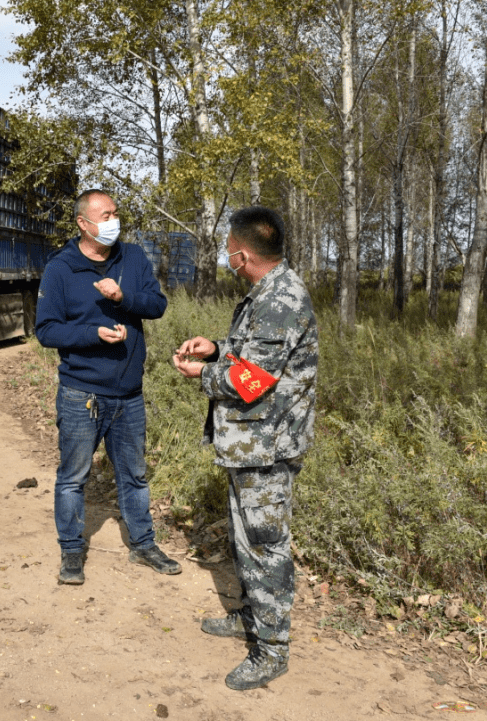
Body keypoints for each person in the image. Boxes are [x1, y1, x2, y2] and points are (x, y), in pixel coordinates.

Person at [172, 206, 318, 691]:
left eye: (228, 250)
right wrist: (216, 349)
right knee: (245, 539)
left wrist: (202, 374)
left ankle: (272, 650)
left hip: (267, 448)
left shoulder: (281, 298)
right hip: (249, 445)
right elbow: (252, 355)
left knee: (263, 544)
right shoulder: (266, 293)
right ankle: (251, 618)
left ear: (242, 252)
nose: (226, 258)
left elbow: (253, 380)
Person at [35, 189, 181, 585]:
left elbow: (158, 305)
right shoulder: (61, 268)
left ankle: (143, 544)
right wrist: (92, 333)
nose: (114, 220)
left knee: (133, 475)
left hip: (129, 395)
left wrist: (124, 296)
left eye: (116, 213)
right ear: (83, 223)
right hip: (82, 394)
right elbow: (46, 330)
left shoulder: (132, 258)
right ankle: (71, 550)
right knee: (73, 478)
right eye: (105, 214)